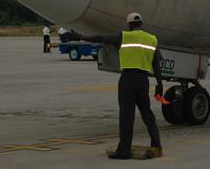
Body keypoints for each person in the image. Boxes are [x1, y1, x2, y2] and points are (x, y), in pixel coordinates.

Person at [69, 13, 163, 159]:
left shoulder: (123, 36)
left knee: (127, 115)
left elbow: (100, 38)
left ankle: (124, 151)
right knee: (147, 113)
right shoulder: (151, 39)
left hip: (128, 79)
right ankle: (157, 146)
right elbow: (157, 65)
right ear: (141, 23)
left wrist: (80, 36)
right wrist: (160, 85)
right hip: (143, 80)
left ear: (129, 24)